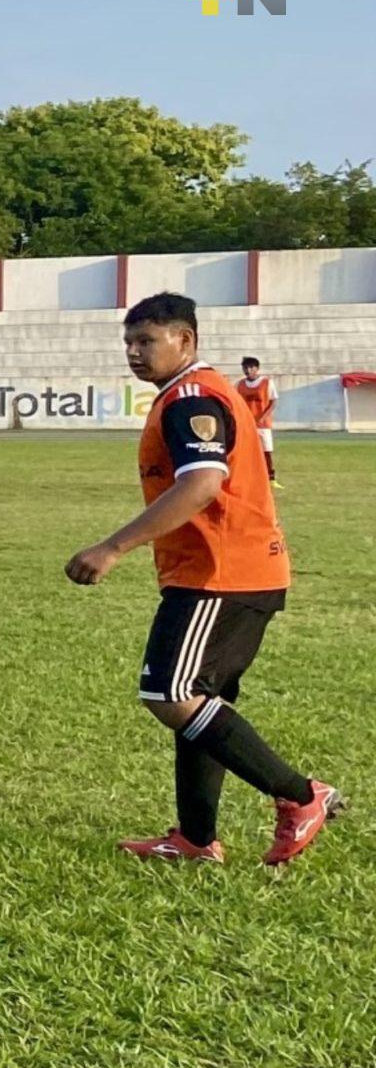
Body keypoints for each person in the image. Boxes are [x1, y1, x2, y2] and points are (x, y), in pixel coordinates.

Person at [67, 293, 341, 864]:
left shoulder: (191, 397)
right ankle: (195, 839)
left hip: (223, 573)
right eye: (129, 342)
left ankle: (301, 795)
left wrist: (113, 547)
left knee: (169, 693)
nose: (134, 352)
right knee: (198, 703)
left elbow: (202, 484)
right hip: (229, 570)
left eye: (147, 341)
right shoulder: (188, 393)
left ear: (185, 340)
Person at [234, 355, 280, 487]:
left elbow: (273, 402)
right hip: (246, 424)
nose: (248, 370)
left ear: (257, 368)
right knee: (245, 451)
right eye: (245, 368)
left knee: (266, 451)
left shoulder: (267, 383)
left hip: (262, 425)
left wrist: (263, 417)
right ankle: (247, 476)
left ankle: (271, 479)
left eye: (251, 367)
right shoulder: (239, 385)